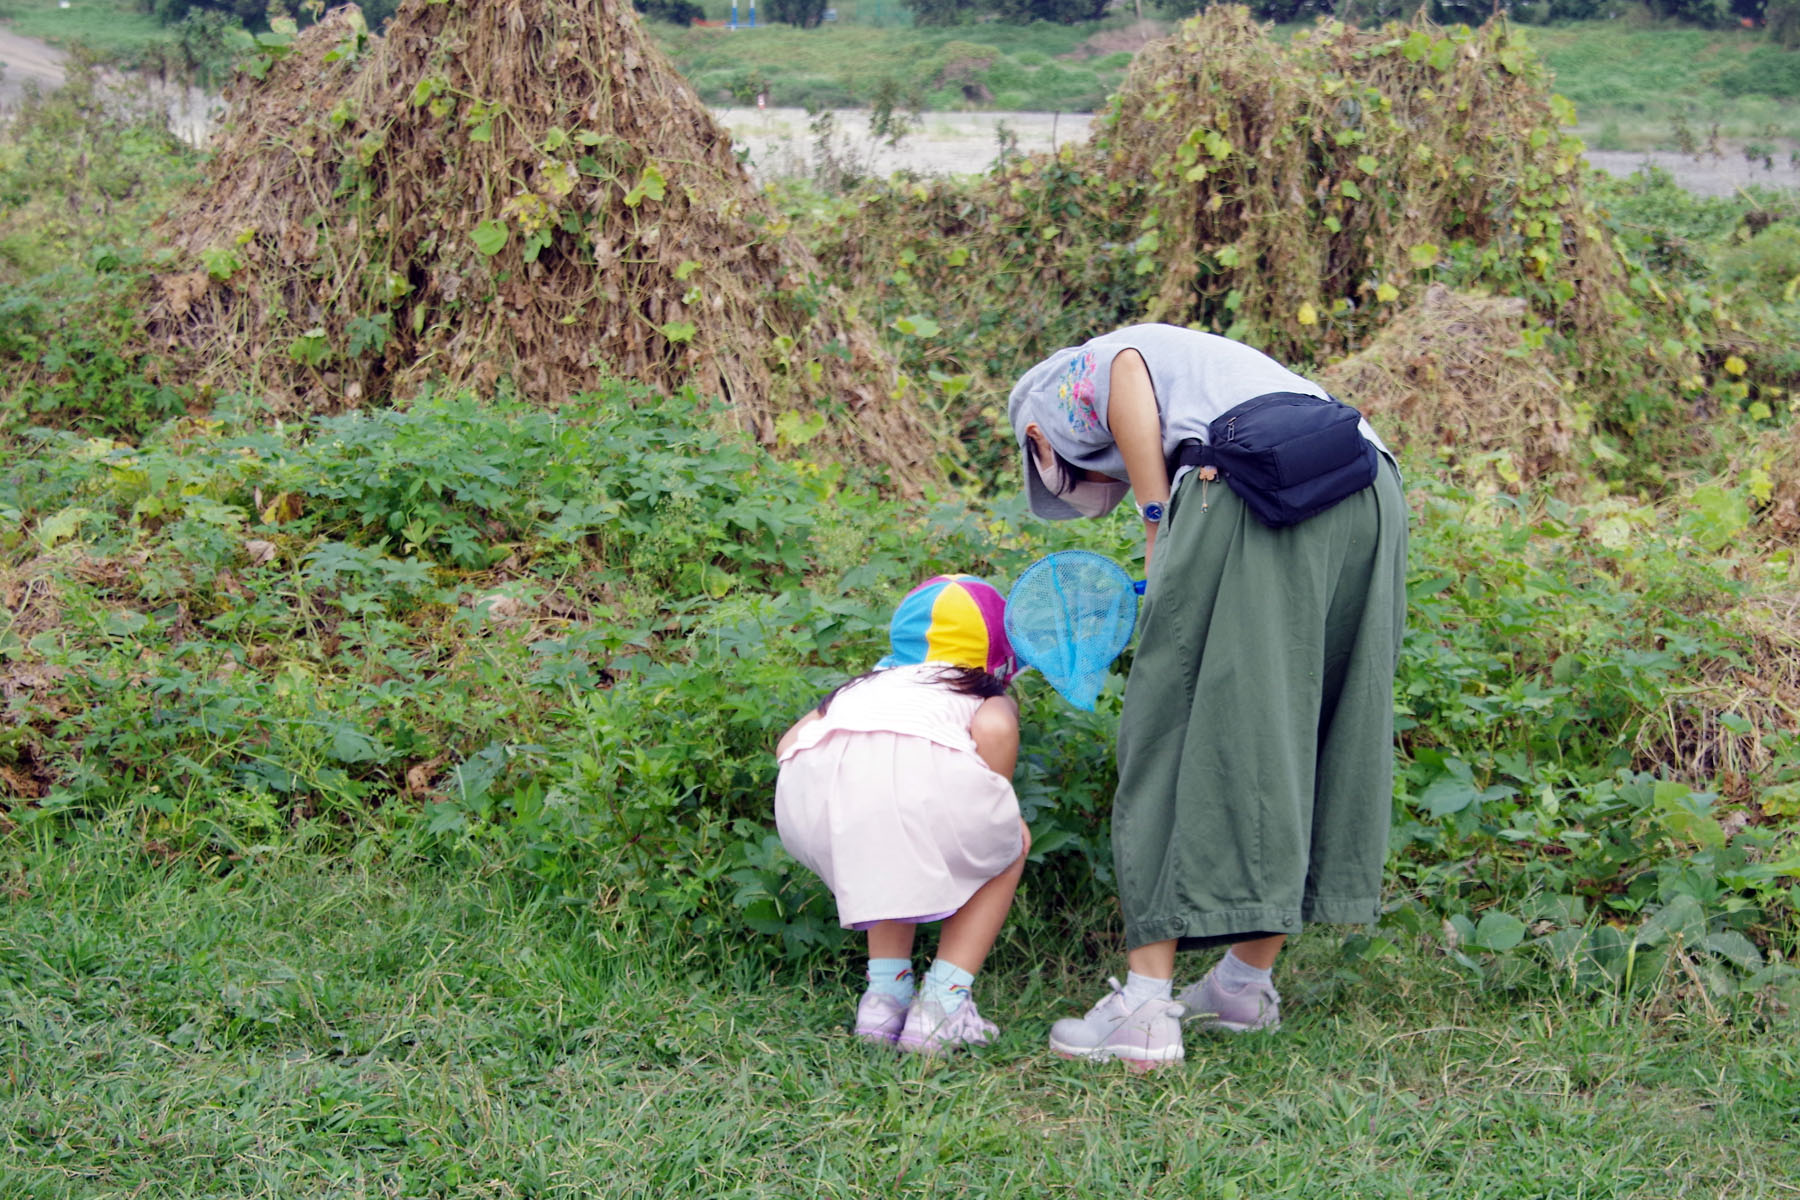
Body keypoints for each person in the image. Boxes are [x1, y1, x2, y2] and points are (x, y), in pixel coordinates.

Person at [1007, 323, 1408, 1070]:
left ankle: (1145, 1011)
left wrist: (1157, 522)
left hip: (1252, 481)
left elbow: (1123, 371)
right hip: (1369, 484)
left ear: (1040, 440)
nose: (1092, 490)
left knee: (1173, 723)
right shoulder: (1208, 367)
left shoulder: (1058, 388)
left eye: (1059, 480)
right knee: (1311, 721)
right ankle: (1241, 986)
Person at [774, 575, 1031, 1055]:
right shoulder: (982, 693)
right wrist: (1001, 803)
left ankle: (884, 997)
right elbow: (994, 728)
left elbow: (788, 745)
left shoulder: (865, 685)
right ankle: (942, 1005)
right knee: (1007, 845)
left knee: (887, 847)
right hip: (919, 799)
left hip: (811, 810)